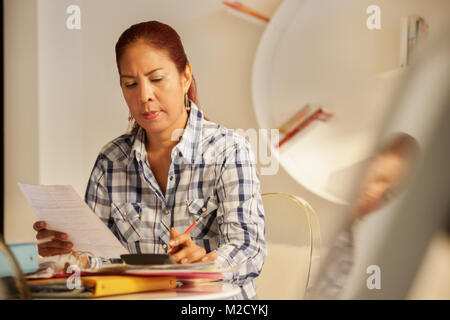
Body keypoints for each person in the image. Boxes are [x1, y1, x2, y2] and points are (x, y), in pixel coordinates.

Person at [32, 20, 266, 299]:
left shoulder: (229, 150)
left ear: (185, 76)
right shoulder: (111, 161)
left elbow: (249, 249)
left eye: (156, 79)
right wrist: (72, 255)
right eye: (130, 84)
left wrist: (206, 265)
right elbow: (104, 261)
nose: (144, 96)